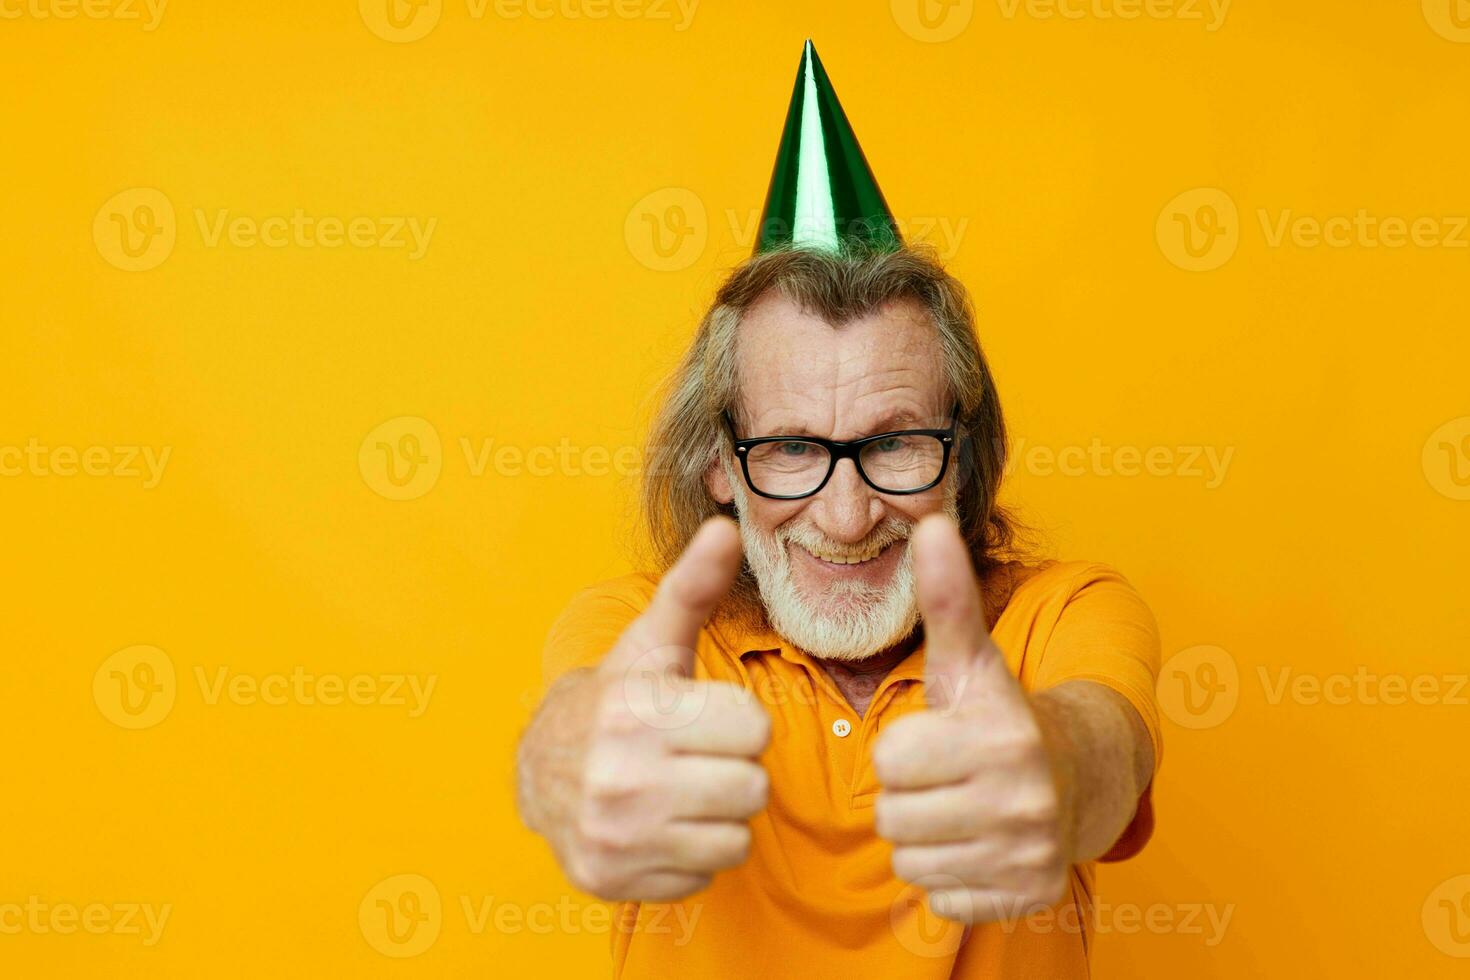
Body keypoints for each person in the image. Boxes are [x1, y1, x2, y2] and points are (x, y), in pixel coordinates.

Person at [516, 40, 1161, 978]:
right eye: (789, 449)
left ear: (965, 449)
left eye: (894, 443)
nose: (849, 515)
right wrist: (568, 767)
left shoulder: (1066, 614)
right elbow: (577, 726)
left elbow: (1108, 751)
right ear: (718, 466)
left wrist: (1052, 769)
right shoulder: (645, 633)